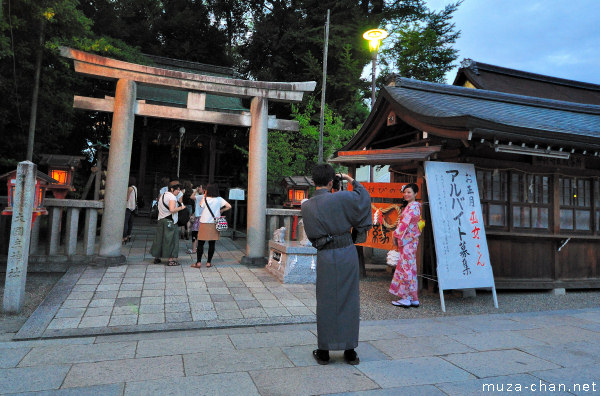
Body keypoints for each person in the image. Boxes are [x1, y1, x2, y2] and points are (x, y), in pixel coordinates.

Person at [300, 164, 372, 366]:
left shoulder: (306, 206)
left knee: (326, 301)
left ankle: (324, 351)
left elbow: (312, 236)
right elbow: (363, 197)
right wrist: (350, 179)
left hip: (325, 255)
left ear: (313, 182)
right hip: (347, 252)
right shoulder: (343, 197)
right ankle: (350, 351)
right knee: (349, 299)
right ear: (332, 182)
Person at [390, 183, 422, 308]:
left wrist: (395, 235)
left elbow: (404, 224)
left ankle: (406, 298)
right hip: (410, 241)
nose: (406, 194)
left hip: (407, 241)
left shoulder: (413, 207)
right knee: (411, 268)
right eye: (405, 192)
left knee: (406, 268)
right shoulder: (413, 206)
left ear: (415, 194)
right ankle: (414, 298)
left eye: (409, 192)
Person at [192, 183, 231, 268]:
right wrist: (221, 210)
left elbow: (201, 205)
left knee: (201, 243)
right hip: (214, 223)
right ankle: (208, 262)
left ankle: (198, 262)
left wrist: (204, 195)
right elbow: (229, 206)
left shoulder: (205, 199)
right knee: (212, 244)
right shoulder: (219, 199)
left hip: (204, 223)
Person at [150, 180, 187, 266]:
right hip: (169, 221)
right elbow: (172, 210)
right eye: (177, 189)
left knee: (159, 240)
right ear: (172, 189)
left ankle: (157, 257)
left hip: (161, 220)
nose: (179, 191)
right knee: (172, 241)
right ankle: (171, 260)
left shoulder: (163, 195)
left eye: (179, 189)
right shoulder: (172, 197)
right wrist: (182, 207)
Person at [188, 184, 205, 254]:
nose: (199, 188)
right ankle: (197, 248)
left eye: (200, 187)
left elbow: (191, 197)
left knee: (195, 233)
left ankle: (194, 249)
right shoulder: (207, 197)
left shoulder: (201, 196)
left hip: (199, 218)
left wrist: (195, 191)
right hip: (203, 217)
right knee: (200, 234)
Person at [123, 176, 137, 243]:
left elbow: (127, 198)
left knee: (125, 222)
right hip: (133, 207)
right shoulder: (135, 188)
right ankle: (129, 235)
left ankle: (124, 236)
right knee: (130, 222)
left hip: (128, 207)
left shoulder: (130, 188)